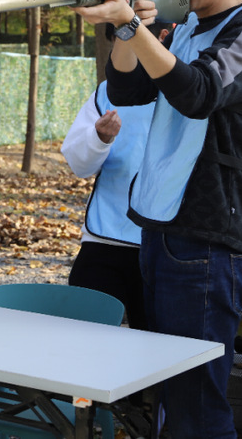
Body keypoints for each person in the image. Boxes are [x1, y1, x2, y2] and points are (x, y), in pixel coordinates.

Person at [71, 0, 242, 438]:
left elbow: (200, 93)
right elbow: (126, 90)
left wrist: (132, 24)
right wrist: (131, 30)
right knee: (170, 400)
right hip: (160, 229)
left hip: (210, 240)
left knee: (196, 406)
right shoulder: (184, 27)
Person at [61, 77, 152, 330]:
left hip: (170, 247)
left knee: (160, 343)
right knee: (86, 336)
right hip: (105, 238)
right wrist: (99, 137)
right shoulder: (109, 91)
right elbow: (78, 164)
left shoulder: (196, 87)